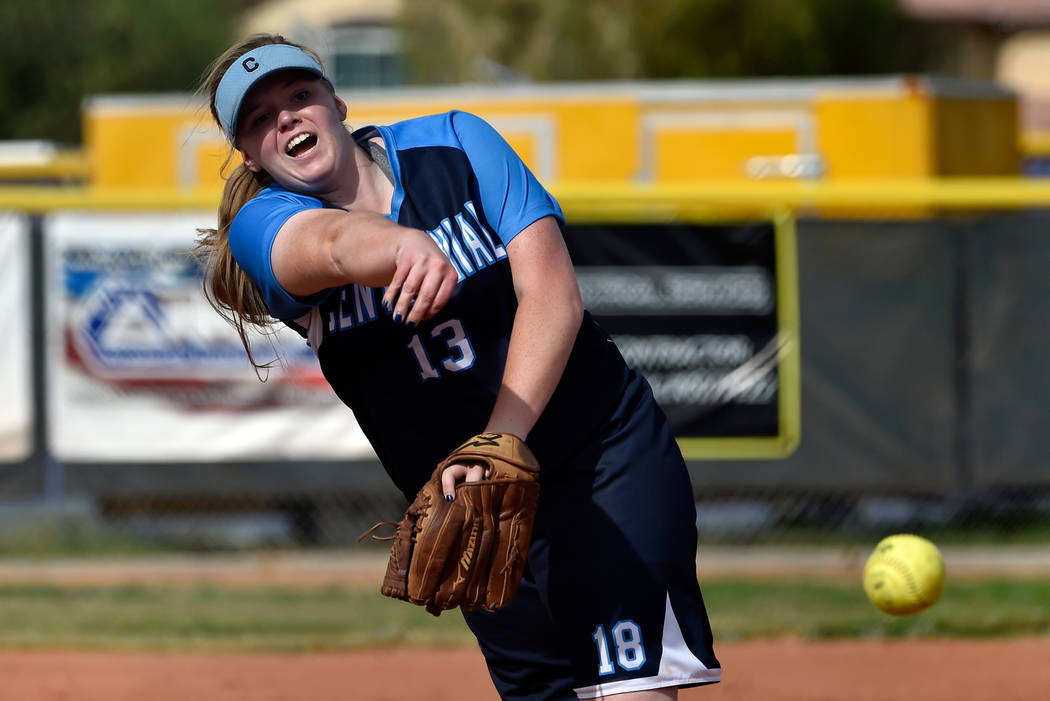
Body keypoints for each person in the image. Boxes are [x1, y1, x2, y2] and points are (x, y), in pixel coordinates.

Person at [195, 34, 720, 700]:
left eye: (300, 96)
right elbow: (328, 245)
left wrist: (502, 439)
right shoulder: (261, 224)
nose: (287, 119)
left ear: (337, 102)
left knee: (632, 687)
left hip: (598, 458)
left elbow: (553, 295)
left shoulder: (455, 145)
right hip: (475, 505)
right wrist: (399, 243)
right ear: (248, 154)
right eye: (261, 118)